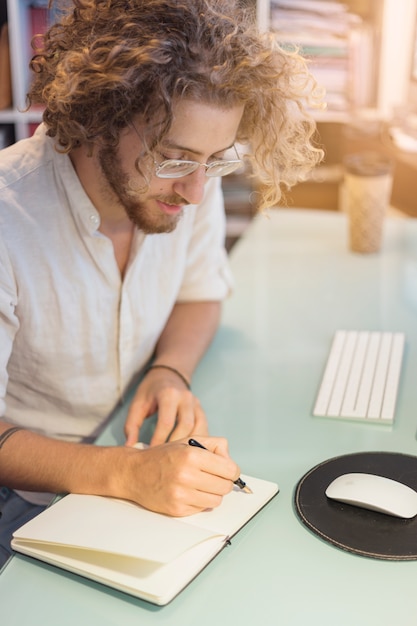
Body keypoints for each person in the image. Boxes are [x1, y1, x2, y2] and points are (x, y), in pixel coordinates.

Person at [0, 0, 323, 566]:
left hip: (122, 448)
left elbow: (200, 293)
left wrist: (169, 369)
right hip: (26, 490)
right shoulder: (10, 217)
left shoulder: (188, 183)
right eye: (173, 158)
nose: (197, 192)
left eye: (215, 160)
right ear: (98, 120)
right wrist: (127, 472)